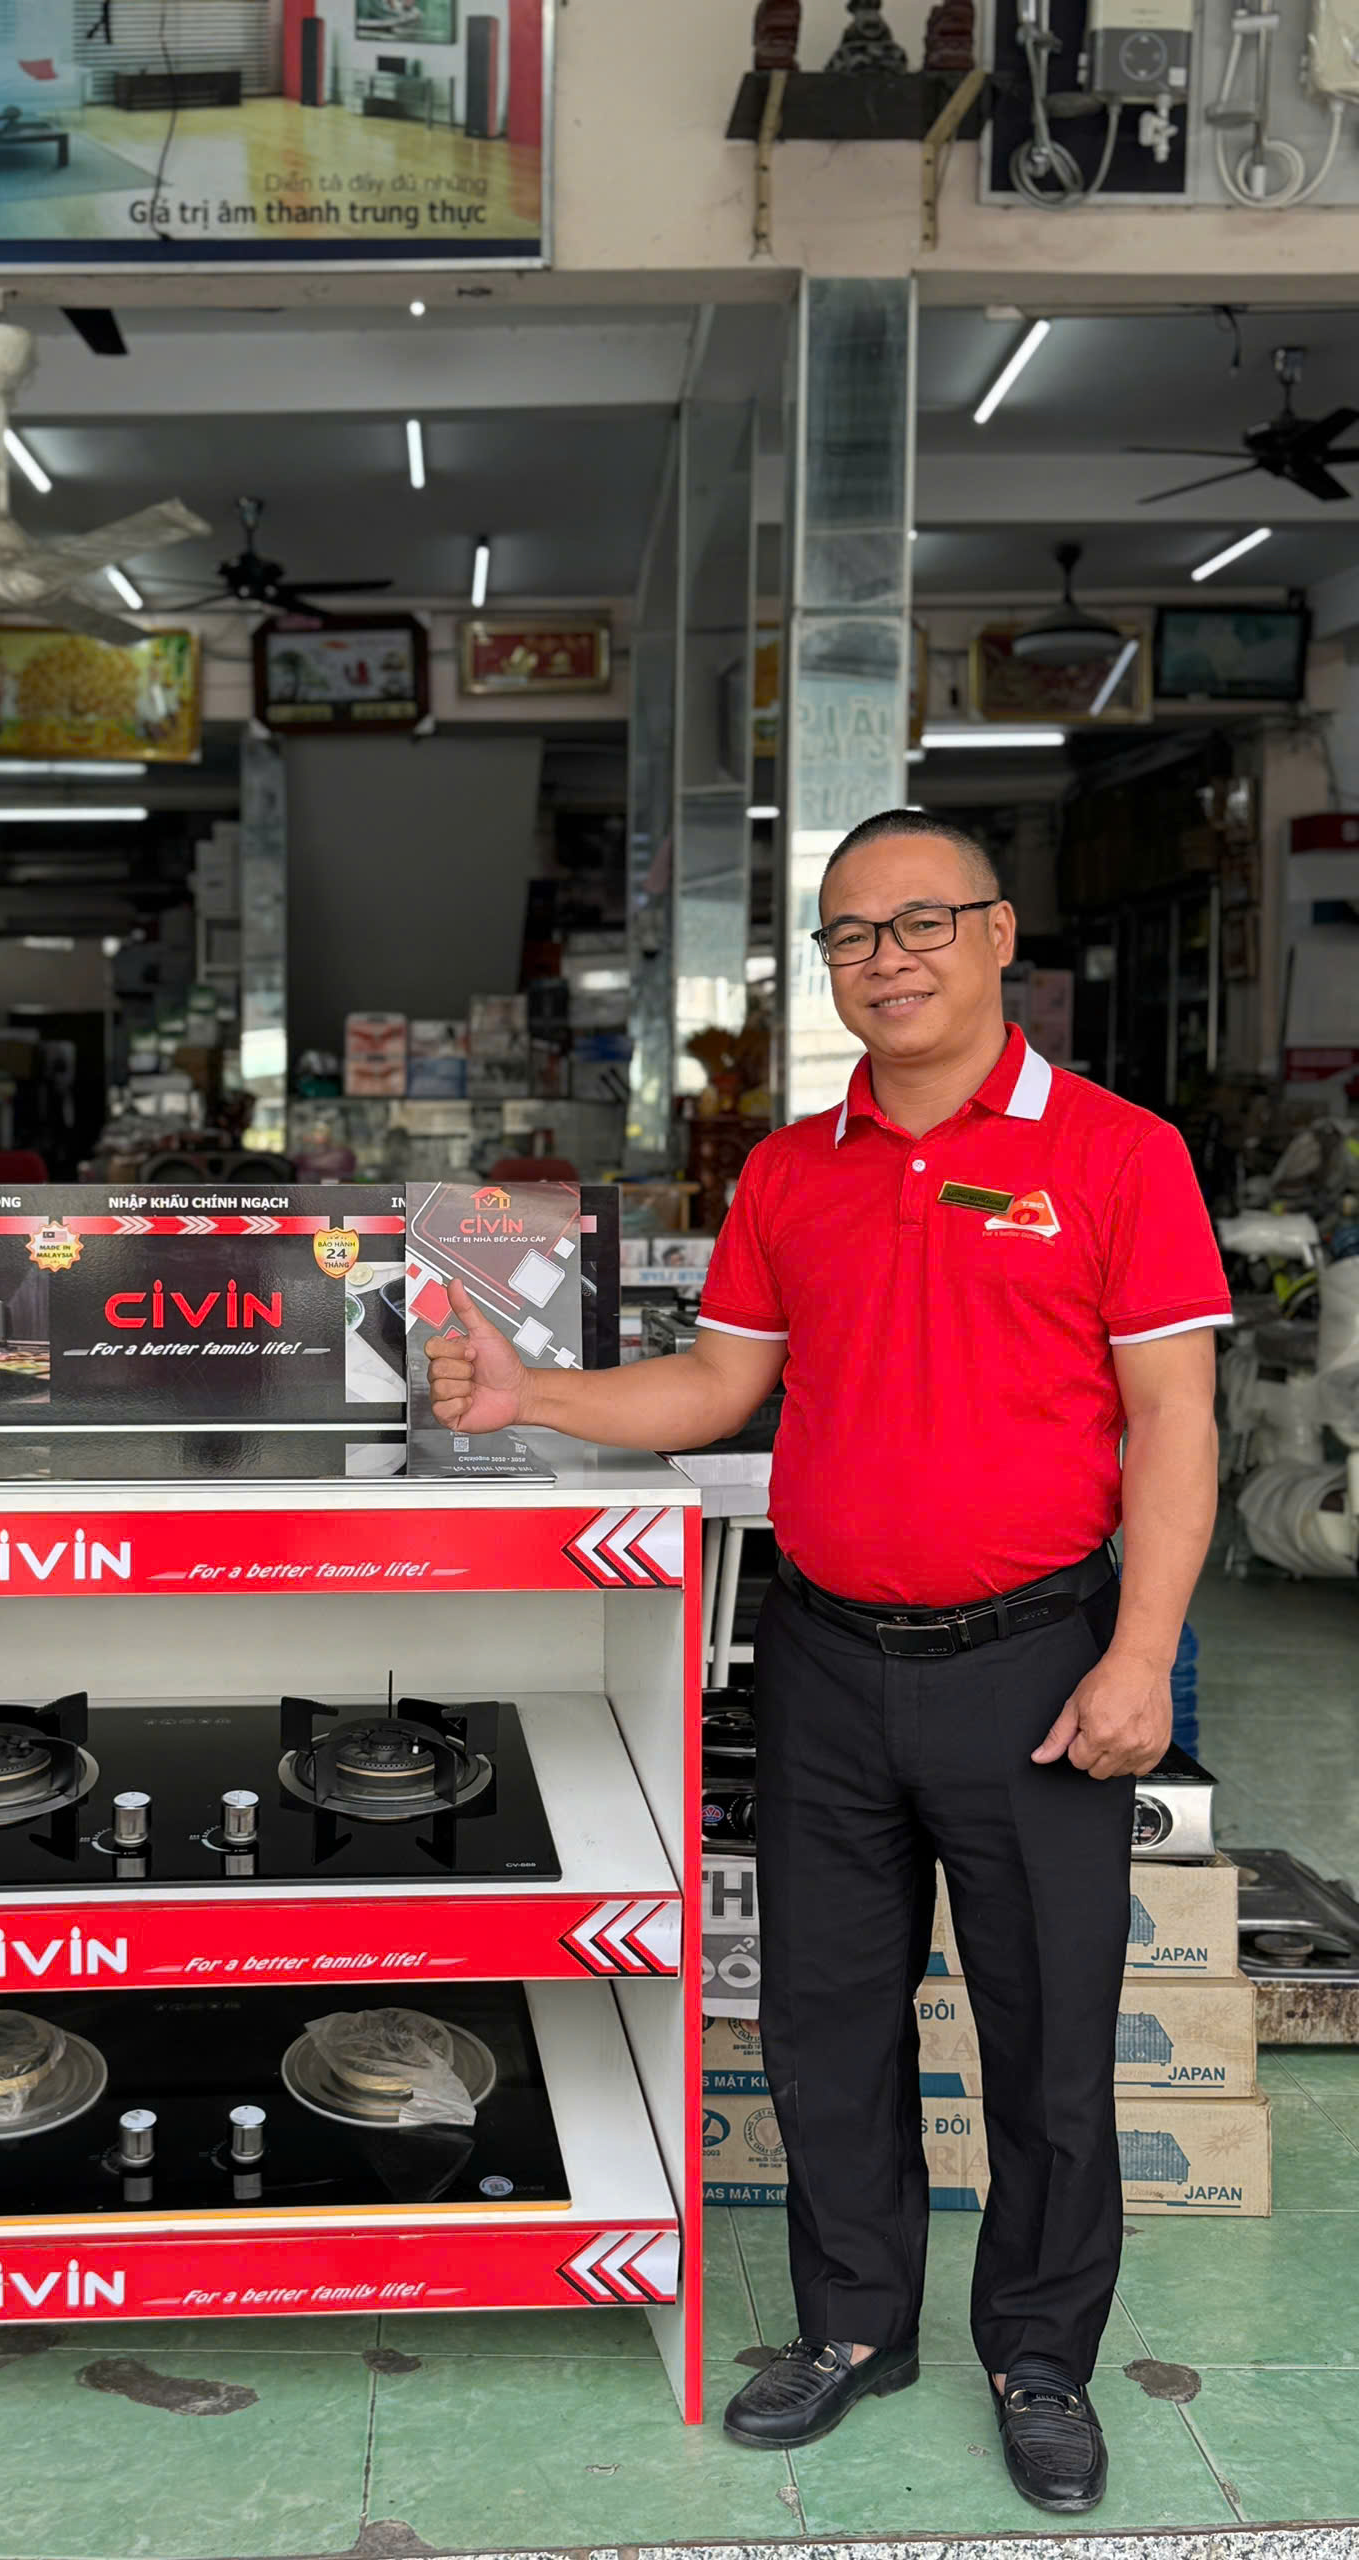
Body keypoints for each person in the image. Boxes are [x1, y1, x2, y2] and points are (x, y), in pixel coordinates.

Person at [424, 812, 1229, 2516]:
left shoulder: (1119, 1153)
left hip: (1037, 1665)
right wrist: (530, 1395)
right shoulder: (795, 1171)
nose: (887, 959)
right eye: (851, 935)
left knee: (1048, 2042)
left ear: (999, 936)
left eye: (923, 923)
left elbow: (1175, 1419)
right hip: (829, 1665)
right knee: (825, 2023)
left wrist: (1142, 1654)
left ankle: (1040, 2356)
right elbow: (719, 1388)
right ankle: (856, 2323)